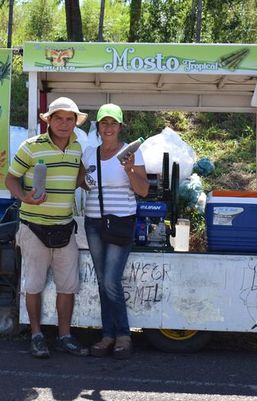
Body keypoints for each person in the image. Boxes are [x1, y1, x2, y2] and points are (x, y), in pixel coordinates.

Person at [5, 97, 89, 359]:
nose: (64, 124)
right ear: (49, 121)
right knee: (34, 286)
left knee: (68, 287)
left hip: (65, 227)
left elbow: (79, 176)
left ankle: (64, 336)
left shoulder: (78, 147)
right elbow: (10, 179)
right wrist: (24, 197)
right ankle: (37, 335)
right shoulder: (31, 147)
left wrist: (92, 180)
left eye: (69, 119)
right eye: (59, 118)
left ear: (75, 122)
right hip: (34, 227)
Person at [81, 103, 149, 359]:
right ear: (98, 127)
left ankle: (123, 335)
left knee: (111, 281)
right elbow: (85, 183)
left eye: (113, 123)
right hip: (94, 223)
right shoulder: (89, 154)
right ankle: (107, 335)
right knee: (102, 282)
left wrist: (129, 169)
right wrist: (85, 179)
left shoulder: (132, 154)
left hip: (121, 222)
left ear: (120, 126)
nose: (108, 128)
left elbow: (143, 191)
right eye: (104, 123)